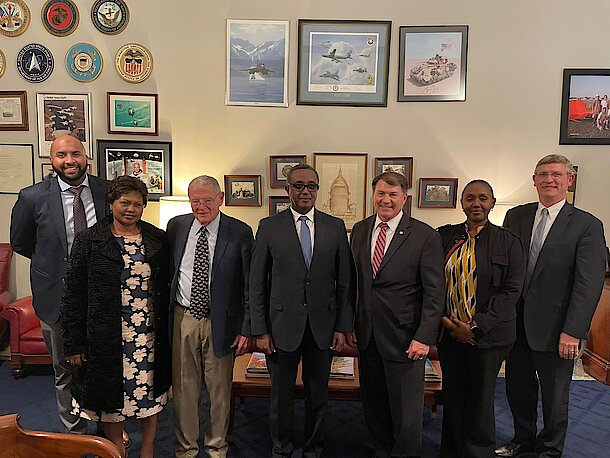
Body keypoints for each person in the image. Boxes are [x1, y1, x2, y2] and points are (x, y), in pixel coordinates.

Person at [496, 155, 606, 457]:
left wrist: (574, 330)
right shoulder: (516, 216)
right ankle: (522, 440)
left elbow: (588, 284)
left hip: (558, 328)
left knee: (555, 396)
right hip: (516, 325)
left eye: (556, 174)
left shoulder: (586, 225)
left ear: (569, 180)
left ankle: (549, 450)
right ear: (534, 180)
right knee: (518, 389)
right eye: (543, 174)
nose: (549, 180)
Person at [249, 164, 355, 457]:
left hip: (323, 327)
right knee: (280, 397)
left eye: (311, 186)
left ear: (318, 189)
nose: (305, 191)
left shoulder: (335, 226)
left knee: (318, 395)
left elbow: (345, 282)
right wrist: (260, 330)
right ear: (288, 189)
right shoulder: (269, 227)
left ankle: (313, 449)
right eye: (298, 186)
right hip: (281, 326)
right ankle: (281, 448)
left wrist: (342, 326)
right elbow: (256, 283)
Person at [61, 176, 171, 458]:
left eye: (137, 204)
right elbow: (73, 294)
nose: (130, 209)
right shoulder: (89, 240)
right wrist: (74, 343)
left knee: (148, 395)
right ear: (111, 203)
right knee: (112, 401)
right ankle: (117, 450)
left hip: (148, 336)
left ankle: (147, 449)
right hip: (105, 336)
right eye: (124, 202)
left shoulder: (157, 238)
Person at [10, 134, 109, 434]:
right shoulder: (32, 197)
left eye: (75, 154)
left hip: (102, 296)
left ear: (86, 156)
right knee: (65, 369)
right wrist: (55, 263)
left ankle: (109, 428)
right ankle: (75, 433)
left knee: (106, 366)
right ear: (51, 160)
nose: (69, 161)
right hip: (56, 296)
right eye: (61, 155)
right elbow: (21, 242)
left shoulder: (107, 191)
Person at [348, 171, 445, 458]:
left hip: (405, 338)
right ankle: (381, 450)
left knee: (406, 412)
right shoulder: (360, 230)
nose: (386, 200)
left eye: (393, 194)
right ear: (373, 195)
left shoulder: (425, 235)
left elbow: (434, 292)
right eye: (381, 193)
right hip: (367, 335)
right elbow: (355, 283)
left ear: (404, 198)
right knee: (374, 404)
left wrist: (424, 337)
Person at [437, 180, 525, 457]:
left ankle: (478, 452)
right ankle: (452, 450)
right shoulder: (444, 237)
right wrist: (447, 322)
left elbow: (511, 291)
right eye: (470, 198)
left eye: (483, 198)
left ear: (492, 203)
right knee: (453, 394)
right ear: (461, 203)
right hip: (449, 333)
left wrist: (475, 327)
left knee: (481, 398)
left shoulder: (508, 241)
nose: (476, 203)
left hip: (489, 337)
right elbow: (430, 281)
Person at [167, 175, 253, 458]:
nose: (201, 207)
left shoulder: (239, 232)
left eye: (207, 200)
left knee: (219, 391)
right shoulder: (177, 226)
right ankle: (186, 449)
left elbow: (249, 284)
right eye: (195, 201)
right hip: (184, 317)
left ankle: (216, 447)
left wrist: (246, 328)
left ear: (221, 199)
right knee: (184, 389)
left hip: (222, 321)